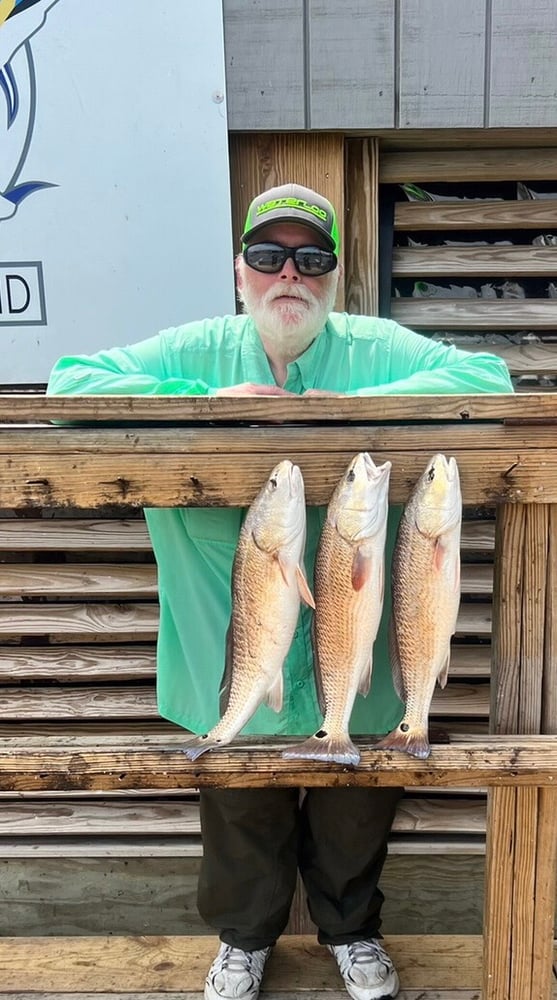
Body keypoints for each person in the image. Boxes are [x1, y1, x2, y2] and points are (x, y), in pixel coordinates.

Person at [47, 182, 514, 1000]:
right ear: (239, 273)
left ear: (335, 274)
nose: (287, 275)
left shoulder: (377, 349)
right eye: (267, 257)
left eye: (310, 258)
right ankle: (244, 940)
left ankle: (351, 931)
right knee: (240, 819)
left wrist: (355, 409)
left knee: (356, 813)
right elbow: (69, 386)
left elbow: (490, 378)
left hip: (363, 665)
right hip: (221, 657)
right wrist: (200, 405)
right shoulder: (192, 349)